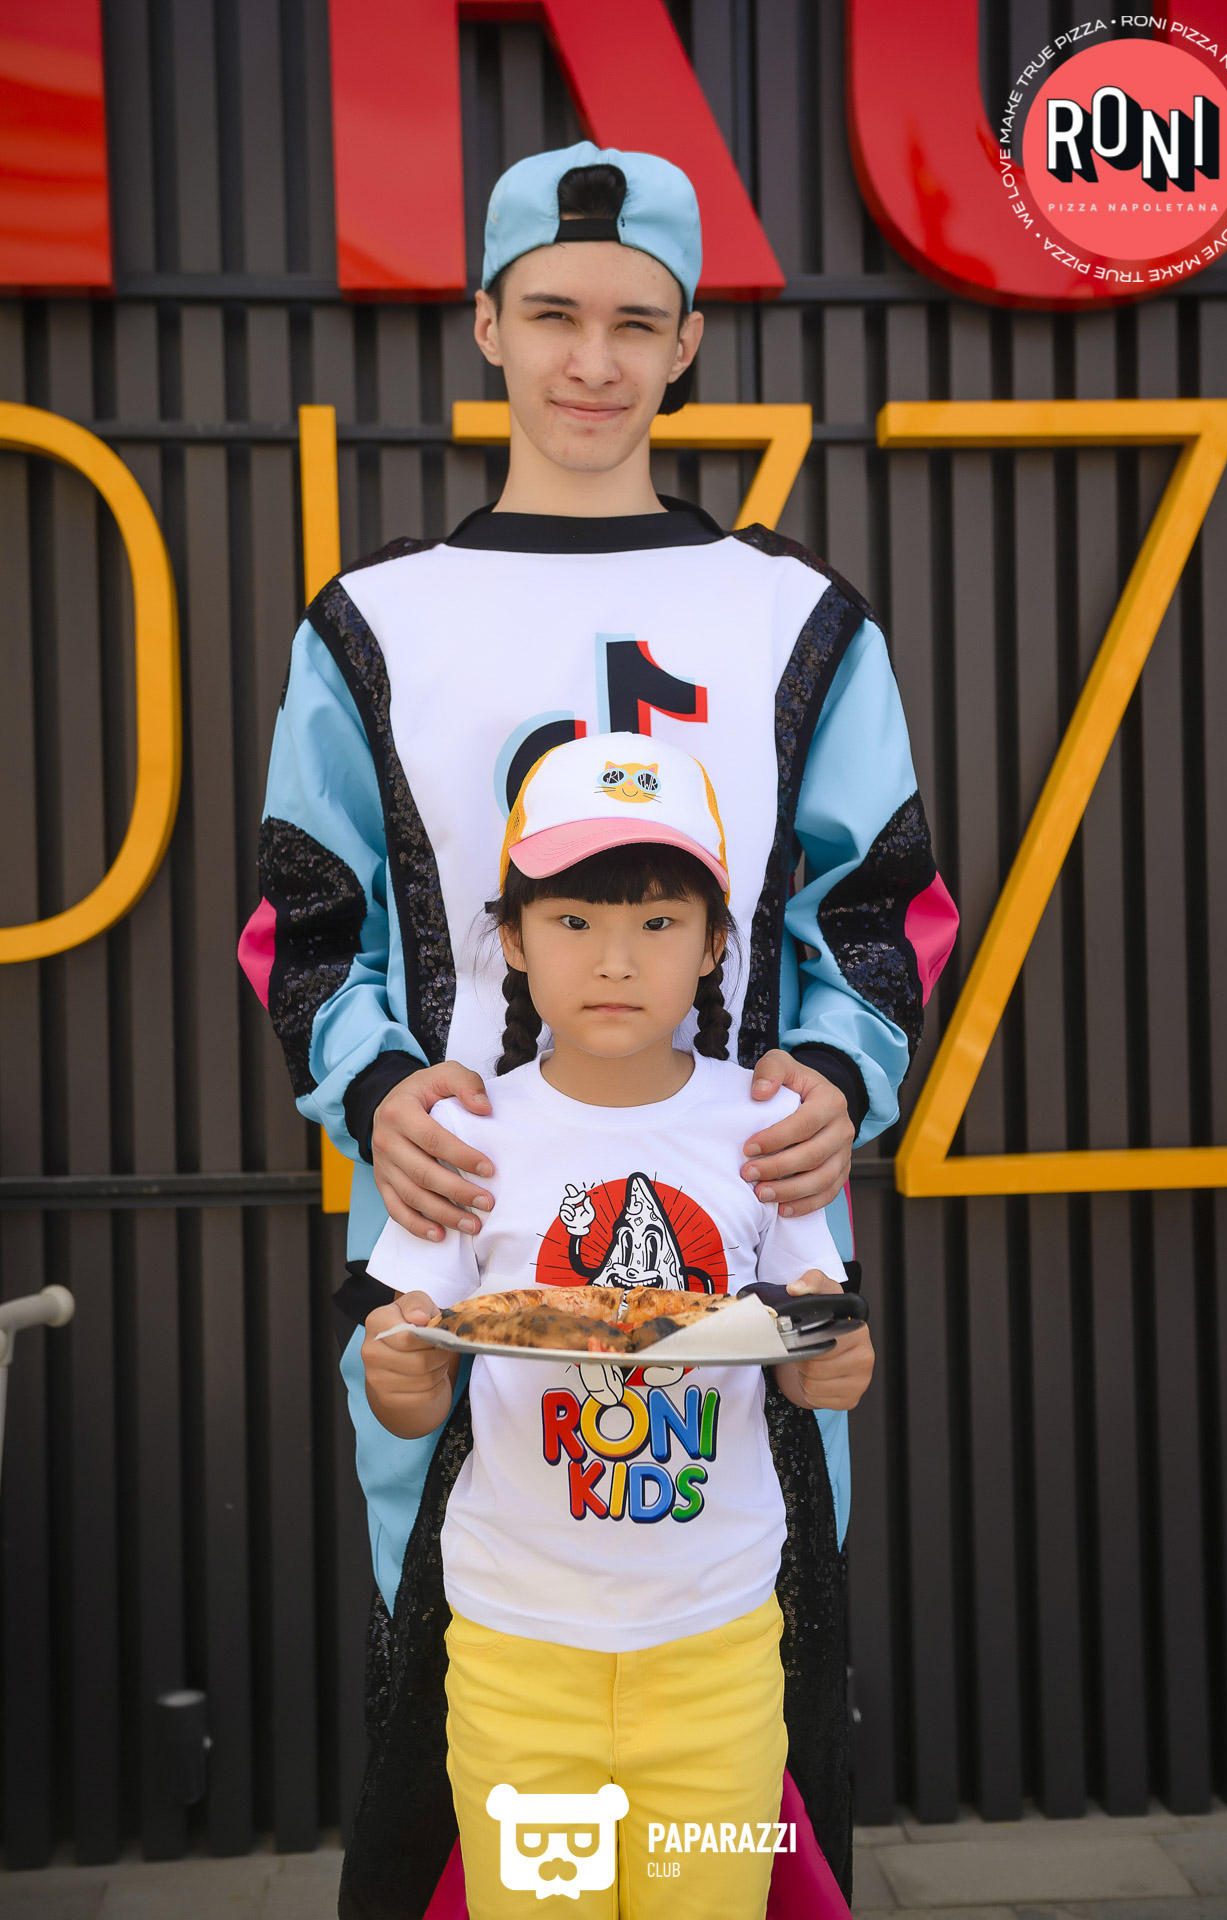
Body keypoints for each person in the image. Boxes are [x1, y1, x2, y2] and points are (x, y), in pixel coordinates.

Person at [239, 140, 957, 1913]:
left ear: (688, 342)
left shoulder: (797, 619)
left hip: (742, 1238)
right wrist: (375, 1084)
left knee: (741, 1698)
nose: (591, 359)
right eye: (551, 312)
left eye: (636, 322)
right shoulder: (370, 623)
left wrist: (842, 1076)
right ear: (484, 323)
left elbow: (883, 911)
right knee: (468, 1713)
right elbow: (298, 924)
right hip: (456, 1236)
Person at [361, 732, 875, 1920]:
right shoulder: (466, 1136)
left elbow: (816, 1359)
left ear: (714, 946)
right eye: (573, 919)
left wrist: (839, 1359)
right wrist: (400, 1369)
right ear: (513, 940)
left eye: (657, 922)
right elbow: (413, 1384)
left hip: (719, 1640)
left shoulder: (764, 1123)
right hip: (513, 1643)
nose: (614, 959)